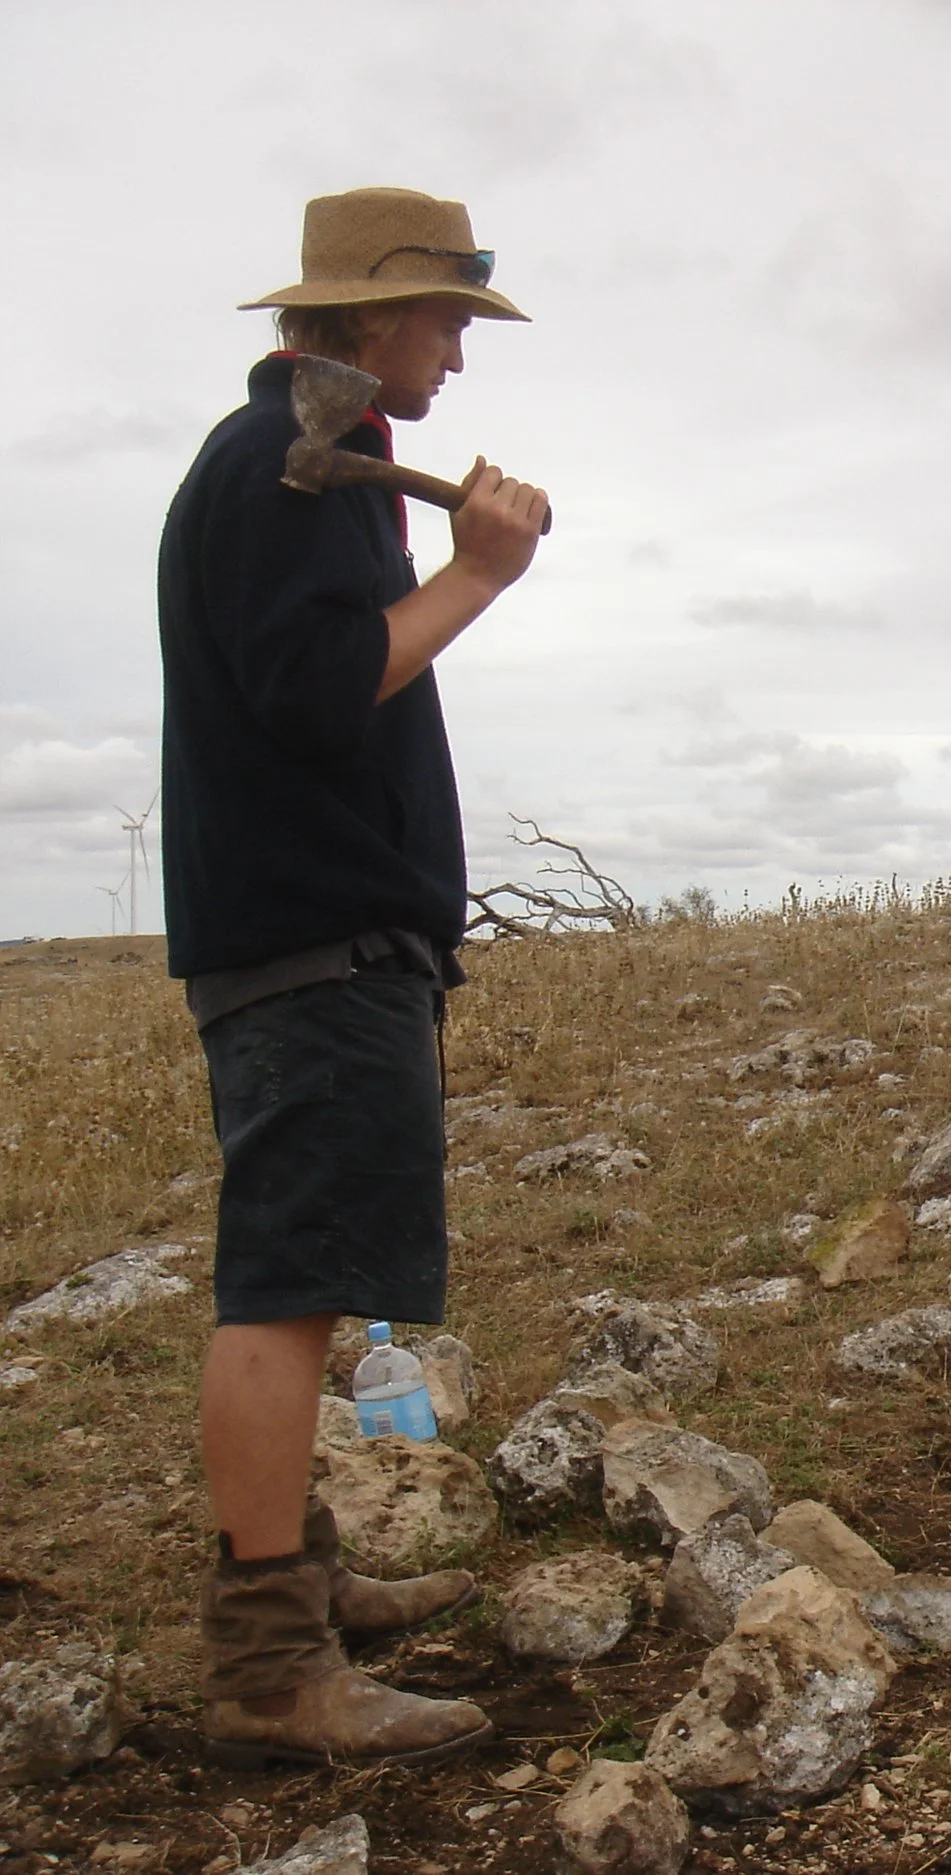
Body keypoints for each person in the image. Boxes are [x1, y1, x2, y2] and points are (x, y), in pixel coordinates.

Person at [158, 187, 549, 1768]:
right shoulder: (279, 474)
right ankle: (269, 1661)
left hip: (320, 932)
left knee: (306, 1275)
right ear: (368, 312)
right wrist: (484, 573)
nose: (459, 351)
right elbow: (323, 698)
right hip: (309, 939)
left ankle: (299, 1583)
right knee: (287, 1285)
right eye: (447, 317)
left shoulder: (314, 461)